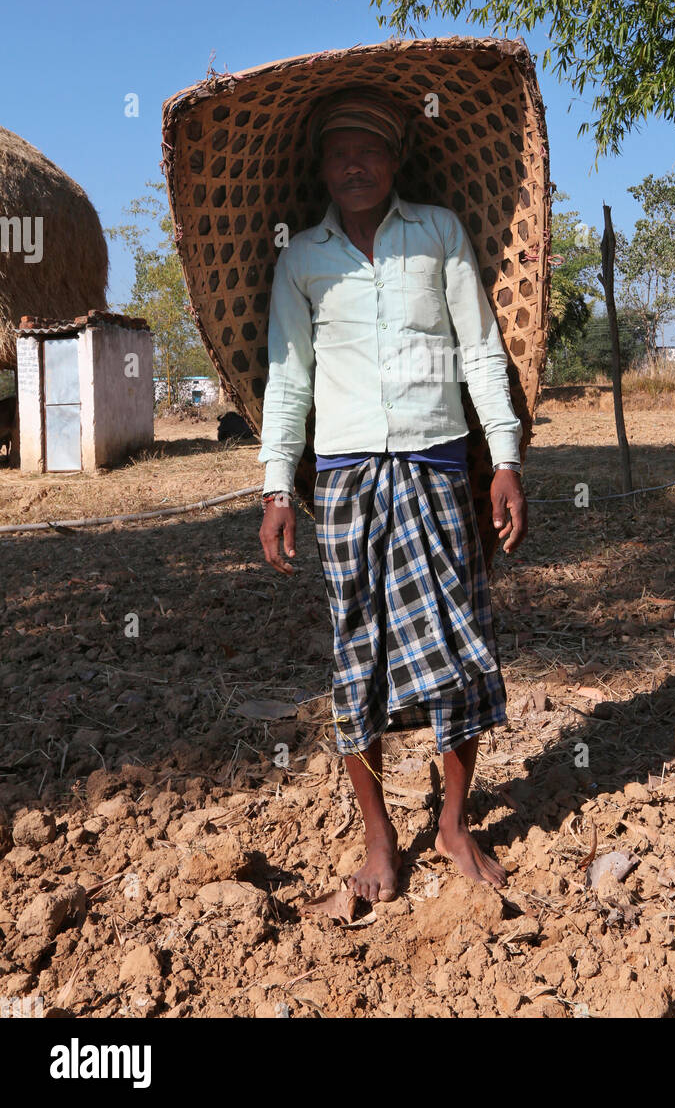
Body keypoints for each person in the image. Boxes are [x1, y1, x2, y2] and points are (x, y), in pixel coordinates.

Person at [258, 87, 528, 902]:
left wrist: (506, 459)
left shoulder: (438, 232)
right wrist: (276, 484)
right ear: (321, 167)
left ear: (395, 159)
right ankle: (379, 839)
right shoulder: (302, 258)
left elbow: (481, 354)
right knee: (356, 657)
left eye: (369, 149)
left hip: (440, 467)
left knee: (458, 653)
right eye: (339, 150)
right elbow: (288, 381)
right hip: (344, 479)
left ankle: (452, 822)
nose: (353, 163)